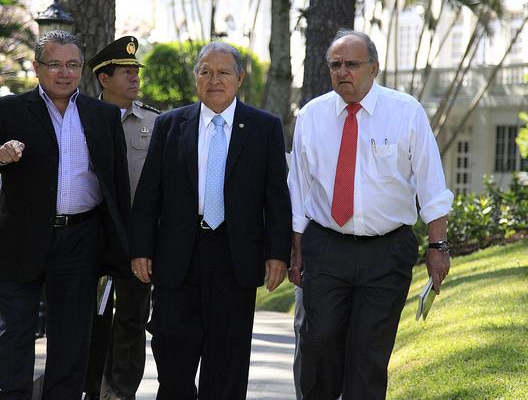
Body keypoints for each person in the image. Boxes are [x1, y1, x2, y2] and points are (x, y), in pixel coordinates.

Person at [0, 30, 131, 400]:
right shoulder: (7, 110)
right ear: (37, 67)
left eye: (72, 65)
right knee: (15, 335)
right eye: (55, 64)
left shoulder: (103, 116)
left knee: (72, 343)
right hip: (20, 241)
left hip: (80, 242)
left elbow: (117, 187)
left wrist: (122, 247)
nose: (64, 73)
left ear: (82, 69)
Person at [288, 29, 454, 399]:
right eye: (335, 65)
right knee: (318, 345)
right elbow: (298, 189)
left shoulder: (405, 112)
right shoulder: (312, 116)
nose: (342, 72)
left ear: (374, 68)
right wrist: (295, 250)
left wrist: (438, 245)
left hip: (386, 251)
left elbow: (431, 183)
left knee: (368, 354)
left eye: (351, 64)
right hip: (326, 248)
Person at [129, 41, 292, 399]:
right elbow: (149, 194)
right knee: (172, 355)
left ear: (239, 78)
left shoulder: (264, 127)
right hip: (178, 259)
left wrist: (278, 253)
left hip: (236, 258)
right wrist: (140, 248)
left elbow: (276, 196)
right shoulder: (171, 125)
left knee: (227, 364)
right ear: (196, 78)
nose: (214, 80)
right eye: (205, 72)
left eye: (222, 73)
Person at [84, 36, 159, 400]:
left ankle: (121, 392)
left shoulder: (154, 122)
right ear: (103, 78)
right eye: (126, 72)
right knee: (90, 320)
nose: (134, 78)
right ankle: (89, 388)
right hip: (88, 238)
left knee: (131, 319)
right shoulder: (79, 119)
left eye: (135, 71)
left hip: (135, 240)